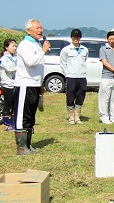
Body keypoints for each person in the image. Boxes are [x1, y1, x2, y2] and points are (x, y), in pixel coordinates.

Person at [13, 19, 50, 155]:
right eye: (37, 28)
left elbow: (39, 67)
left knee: (30, 116)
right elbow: (30, 62)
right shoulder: (25, 44)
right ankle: (21, 147)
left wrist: (40, 84)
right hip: (25, 84)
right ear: (28, 30)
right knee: (22, 116)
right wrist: (43, 51)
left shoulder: (36, 44)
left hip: (34, 84)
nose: (40, 30)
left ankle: (28, 145)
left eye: (41, 27)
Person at [59, 29, 89, 124]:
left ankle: (77, 116)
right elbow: (63, 63)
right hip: (70, 76)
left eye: (78, 37)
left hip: (82, 76)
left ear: (80, 38)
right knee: (70, 96)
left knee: (81, 95)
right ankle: (71, 117)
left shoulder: (85, 49)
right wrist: (67, 73)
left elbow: (85, 60)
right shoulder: (66, 50)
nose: (76, 39)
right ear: (71, 37)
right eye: (74, 37)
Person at [0, 39, 18, 131]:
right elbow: (10, 69)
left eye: (15, 46)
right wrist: (20, 67)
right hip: (7, 85)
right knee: (8, 105)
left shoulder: (15, 57)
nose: (15, 48)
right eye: (13, 46)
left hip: (15, 84)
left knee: (15, 105)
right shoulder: (4, 59)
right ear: (6, 47)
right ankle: (7, 123)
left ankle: (14, 123)